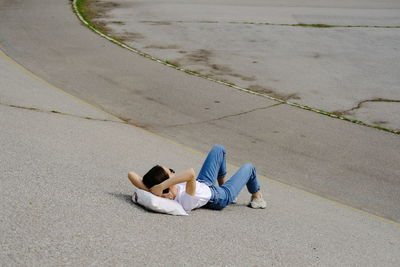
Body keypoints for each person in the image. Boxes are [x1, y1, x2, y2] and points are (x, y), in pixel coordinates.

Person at [128, 144, 266, 212]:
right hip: (219, 197)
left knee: (219, 149)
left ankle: (224, 184)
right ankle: (257, 197)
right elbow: (190, 174)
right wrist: (163, 186)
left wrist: (153, 188)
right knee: (249, 167)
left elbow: (131, 174)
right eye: (171, 172)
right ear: (166, 183)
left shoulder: (161, 189)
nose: (173, 172)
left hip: (204, 182)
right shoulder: (185, 201)